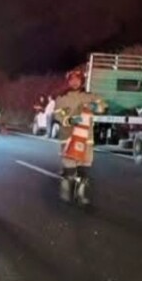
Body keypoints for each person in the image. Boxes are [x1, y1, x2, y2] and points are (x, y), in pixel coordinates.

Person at [53, 70, 106, 204]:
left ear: (82, 81)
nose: (75, 82)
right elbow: (58, 115)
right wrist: (70, 120)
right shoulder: (62, 98)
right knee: (69, 168)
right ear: (68, 81)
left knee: (84, 170)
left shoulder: (89, 96)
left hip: (86, 139)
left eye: (78, 79)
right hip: (68, 138)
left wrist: (95, 106)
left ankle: (80, 194)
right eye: (72, 79)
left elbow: (102, 105)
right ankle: (65, 190)